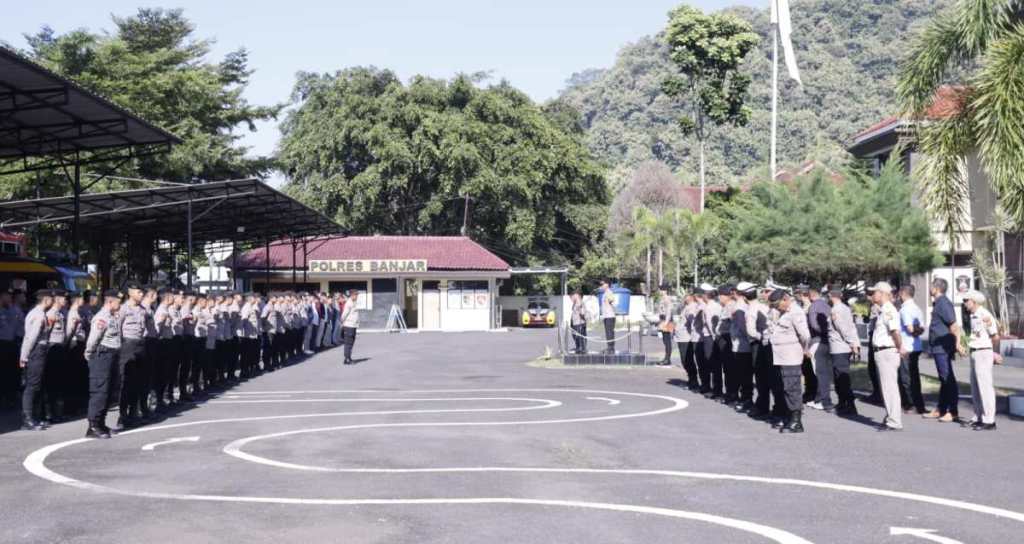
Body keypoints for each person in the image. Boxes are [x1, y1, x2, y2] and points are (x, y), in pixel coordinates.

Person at [768, 289, 810, 433]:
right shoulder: (780, 312)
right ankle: (786, 415)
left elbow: (805, 335)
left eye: (777, 304)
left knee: (792, 388)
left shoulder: (795, 312)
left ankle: (796, 421)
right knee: (781, 387)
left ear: (786, 299)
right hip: (778, 356)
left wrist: (804, 350)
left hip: (790, 355)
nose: (776, 307)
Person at [84, 290, 123, 439]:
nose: (120, 304)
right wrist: (89, 354)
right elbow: (93, 339)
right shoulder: (102, 317)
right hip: (102, 356)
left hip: (111, 355)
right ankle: (93, 426)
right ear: (110, 302)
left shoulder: (112, 316)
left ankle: (101, 423)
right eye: (118, 302)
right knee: (99, 391)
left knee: (108, 391)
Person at [961, 291, 1000, 431]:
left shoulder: (985, 315)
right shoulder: (972, 315)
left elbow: (995, 336)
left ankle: (989, 420)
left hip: (984, 352)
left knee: (985, 386)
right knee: (975, 387)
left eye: (967, 300)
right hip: (975, 351)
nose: (965, 303)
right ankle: (978, 416)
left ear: (974, 301)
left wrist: (995, 353)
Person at [924, 278, 961, 422]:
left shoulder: (944, 303)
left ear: (936, 288)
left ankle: (953, 411)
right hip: (938, 347)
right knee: (943, 378)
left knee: (947, 378)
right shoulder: (938, 303)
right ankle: (941, 409)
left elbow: (954, 326)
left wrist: (958, 344)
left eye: (931, 287)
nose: (929, 289)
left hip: (943, 347)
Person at [870, 282, 904, 431]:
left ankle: (894, 421)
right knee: (887, 387)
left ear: (882, 293)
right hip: (882, 351)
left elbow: (895, 331)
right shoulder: (883, 310)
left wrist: (900, 347)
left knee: (890, 387)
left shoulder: (889, 310)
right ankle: (891, 416)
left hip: (887, 351)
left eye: (874, 292)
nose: (872, 295)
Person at [19, 289, 54, 431]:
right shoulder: (38, 315)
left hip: (40, 350)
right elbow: (30, 338)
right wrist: (24, 356)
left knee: (38, 385)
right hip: (36, 351)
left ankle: (34, 416)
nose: (52, 301)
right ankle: (27, 418)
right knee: (32, 385)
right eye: (51, 298)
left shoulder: (41, 314)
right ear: (45, 300)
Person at [117, 282, 147, 430]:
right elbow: (118, 328)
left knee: (138, 381)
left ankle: (133, 413)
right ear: (130, 293)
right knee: (126, 381)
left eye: (142, 293)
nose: (141, 295)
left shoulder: (143, 310)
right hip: (127, 345)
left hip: (140, 345)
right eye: (139, 292)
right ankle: (122, 415)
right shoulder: (123, 309)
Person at [827, 288, 860, 415]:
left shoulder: (836, 310)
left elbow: (843, 329)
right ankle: (842, 403)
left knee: (841, 378)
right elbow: (852, 327)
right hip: (842, 347)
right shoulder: (846, 308)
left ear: (831, 296)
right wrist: (855, 343)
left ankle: (849, 405)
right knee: (839, 377)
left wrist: (852, 343)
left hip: (839, 347)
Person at [897, 285, 927, 415]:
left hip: (907, 347)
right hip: (916, 346)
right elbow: (921, 328)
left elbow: (909, 328)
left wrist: (913, 331)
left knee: (906, 377)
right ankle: (919, 404)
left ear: (903, 294)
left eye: (899, 293)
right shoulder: (917, 308)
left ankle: (910, 404)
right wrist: (917, 332)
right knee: (914, 377)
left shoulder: (905, 310)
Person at [42, 290, 68, 423]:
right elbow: (46, 334)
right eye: (63, 298)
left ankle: (57, 412)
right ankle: (49, 413)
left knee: (58, 382)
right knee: (51, 382)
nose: (66, 300)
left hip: (60, 349)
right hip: (52, 349)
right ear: (57, 299)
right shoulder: (51, 314)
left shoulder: (60, 314)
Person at [730, 283, 755, 411]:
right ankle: (745, 398)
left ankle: (746, 399)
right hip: (741, 344)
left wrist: (749, 339)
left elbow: (743, 327)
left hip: (742, 345)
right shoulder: (741, 305)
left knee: (744, 375)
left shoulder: (739, 307)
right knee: (743, 374)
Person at [805, 287, 830, 411]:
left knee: (819, 372)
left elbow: (813, 324)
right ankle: (822, 398)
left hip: (817, 340)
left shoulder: (813, 307)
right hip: (827, 341)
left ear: (810, 296)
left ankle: (821, 400)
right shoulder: (827, 305)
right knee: (824, 371)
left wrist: (821, 333)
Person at [0, 290, 19, 410]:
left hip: (10, 343)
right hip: (2, 344)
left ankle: (9, 397)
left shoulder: (10, 309)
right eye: (7, 296)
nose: (10, 298)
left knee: (10, 372)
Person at [677, 294, 699, 390]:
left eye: (686, 297)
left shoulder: (691, 307)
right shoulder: (688, 307)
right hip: (682, 337)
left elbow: (692, 321)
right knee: (685, 360)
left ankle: (693, 381)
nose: (684, 299)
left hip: (686, 338)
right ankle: (691, 380)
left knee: (687, 360)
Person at [656, 285, 675, 365]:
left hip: (667, 320)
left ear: (665, 291)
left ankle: (667, 359)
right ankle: (666, 358)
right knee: (665, 340)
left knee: (667, 341)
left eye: (661, 290)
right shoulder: (662, 299)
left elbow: (669, 311)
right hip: (663, 319)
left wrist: (666, 323)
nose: (660, 291)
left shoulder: (667, 299)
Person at [341, 289, 360, 365]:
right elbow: (344, 314)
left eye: (357, 295)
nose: (357, 296)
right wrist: (342, 321)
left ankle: (348, 357)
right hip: (349, 325)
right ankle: (347, 358)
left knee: (351, 342)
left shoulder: (353, 302)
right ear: (352, 295)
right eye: (356, 295)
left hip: (353, 325)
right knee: (348, 343)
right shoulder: (349, 303)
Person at [600, 281, 617, 354]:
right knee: (608, 332)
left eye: (602, 284)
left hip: (610, 316)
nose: (601, 286)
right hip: (606, 316)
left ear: (607, 284)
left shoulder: (609, 292)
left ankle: (611, 348)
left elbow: (612, 300)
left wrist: (609, 299)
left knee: (610, 332)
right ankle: (609, 347)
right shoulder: (605, 293)